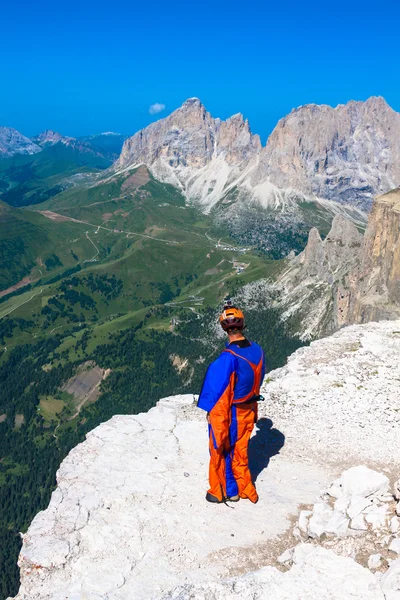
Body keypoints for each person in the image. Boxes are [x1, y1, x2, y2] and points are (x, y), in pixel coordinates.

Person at [197, 303, 266, 504]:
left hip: (234, 410)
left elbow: (218, 395)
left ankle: (225, 491)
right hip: (249, 409)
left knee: (224, 448)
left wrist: (213, 417)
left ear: (223, 328)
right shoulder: (257, 350)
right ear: (243, 325)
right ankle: (243, 486)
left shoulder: (227, 358)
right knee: (240, 449)